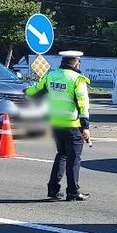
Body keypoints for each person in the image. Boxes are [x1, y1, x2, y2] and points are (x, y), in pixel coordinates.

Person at [25, 51, 91, 200]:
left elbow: (35, 91)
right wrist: (85, 127)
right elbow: (83, 104)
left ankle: (53, 190)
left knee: (61, 155)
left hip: (55, 123)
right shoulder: (77, 79)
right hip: (72, 125)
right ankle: (73, 192)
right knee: (74, 159)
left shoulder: (51, 75)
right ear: (75, 62)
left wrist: (25, 91)